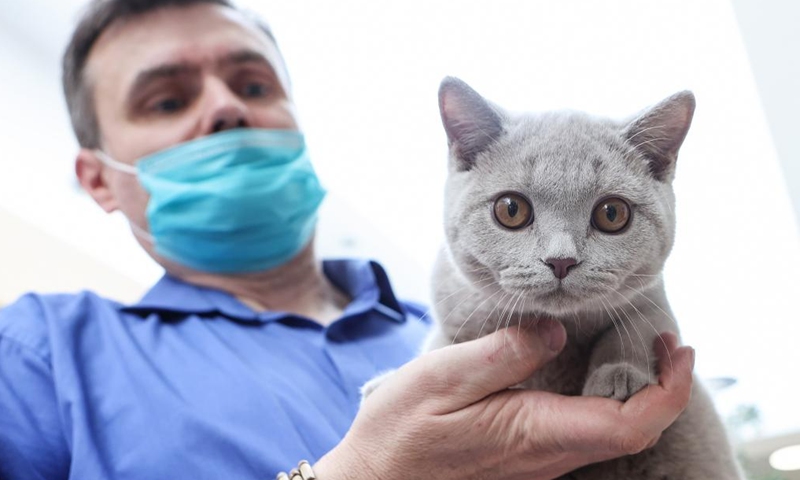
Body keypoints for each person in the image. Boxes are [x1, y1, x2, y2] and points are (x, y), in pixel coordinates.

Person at [0, 0, 695, 479]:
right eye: (169, 100)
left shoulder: (444, 328)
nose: (226, 108)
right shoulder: (38, 358)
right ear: (98, 179)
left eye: (253, 85)